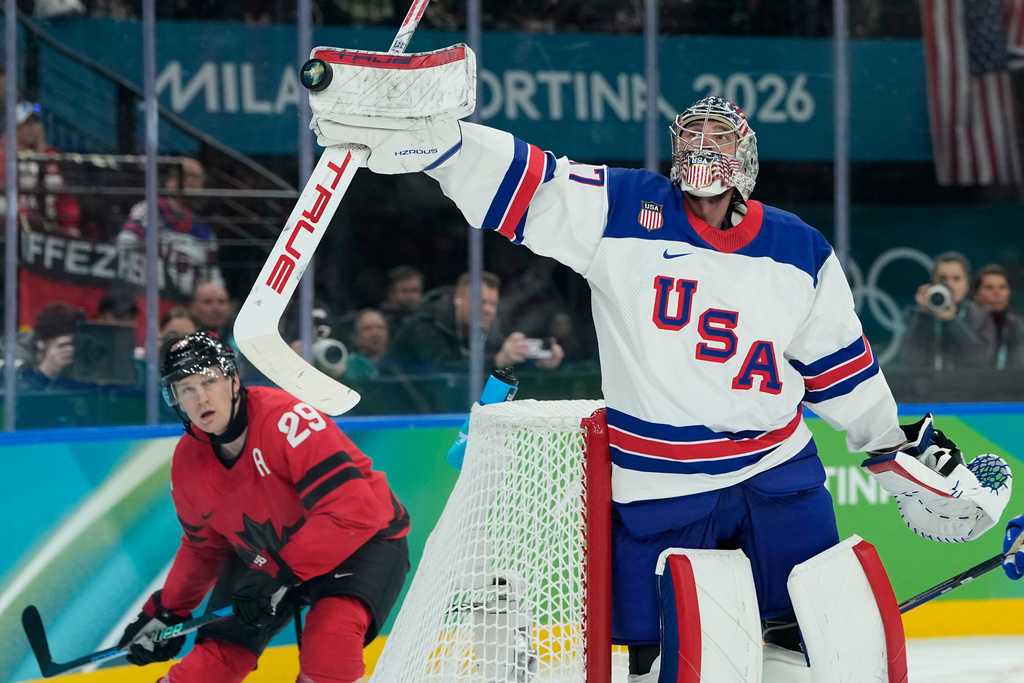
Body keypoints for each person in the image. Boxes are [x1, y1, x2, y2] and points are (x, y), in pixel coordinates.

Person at [311, 93, 1011, 679]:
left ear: (746, 158)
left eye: (719, 137)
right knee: (669, 660)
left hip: (778, 472)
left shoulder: (799, 249)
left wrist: (889, 447)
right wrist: (441, 142)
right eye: (694, 135)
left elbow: (842, 368)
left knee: (812, 643)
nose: (704, 149)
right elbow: (534, 182)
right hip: (663, 488)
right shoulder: (620, 209)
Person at [117, 331, 411, 683]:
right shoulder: (187, 462)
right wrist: (167, 611)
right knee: (209, 666)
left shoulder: (288, 420)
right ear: (176, 400)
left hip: (363, 542)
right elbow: (204, 548)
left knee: (331, 646)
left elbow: (352, 509)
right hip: (269, 556)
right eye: (187, 390)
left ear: (234, 380)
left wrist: (278, 569)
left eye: (209, 381)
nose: (201, 398)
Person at [389, 270, 565, 374]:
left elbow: (498, 356)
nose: (488, 310)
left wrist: (536, 358)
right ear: (459, 299)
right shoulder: (426, 325)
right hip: (399, 416)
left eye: (493, 304)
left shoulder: (490, 328)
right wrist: (498, 360)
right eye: (481, 302)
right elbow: (445, 371)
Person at [115, 157, 224, 299]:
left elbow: (213, 276)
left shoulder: (204, 231)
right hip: (148, 297)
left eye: (199, 179)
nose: (195, 183)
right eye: (190, 177)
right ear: (172, 180)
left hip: (188, 305)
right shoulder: (149, 210)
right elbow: (124, 245)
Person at [901, 251, 995, 370]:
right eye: (942, 278)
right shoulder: (914, 314)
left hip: (967, 388)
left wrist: (952, 320)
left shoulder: (982, 315)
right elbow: (910, 359)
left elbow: (981, 359)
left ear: (967, 283)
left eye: (956, 278)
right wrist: (923, 314)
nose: (949, 284)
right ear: (933, 281)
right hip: (925, 387)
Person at [0, 101, 81, 236]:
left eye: (35, 123)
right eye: (26, 124)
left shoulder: (52, 156)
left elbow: (65, 197)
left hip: (52, 226)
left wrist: (69, 225)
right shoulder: (4, 155)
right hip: (16, 229)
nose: (32, 129)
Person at [972, 264, 1024, 370]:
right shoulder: (966, 323)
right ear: (976, 295)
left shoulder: (1015, 325)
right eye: (989, 287)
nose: (997, 292)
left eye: (1002, 287)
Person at [379, 265, 424, 336]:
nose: (410, 295)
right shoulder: (380, 322)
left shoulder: (428, 320)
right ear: (392, 293)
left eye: (415, 290)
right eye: (404, 291)